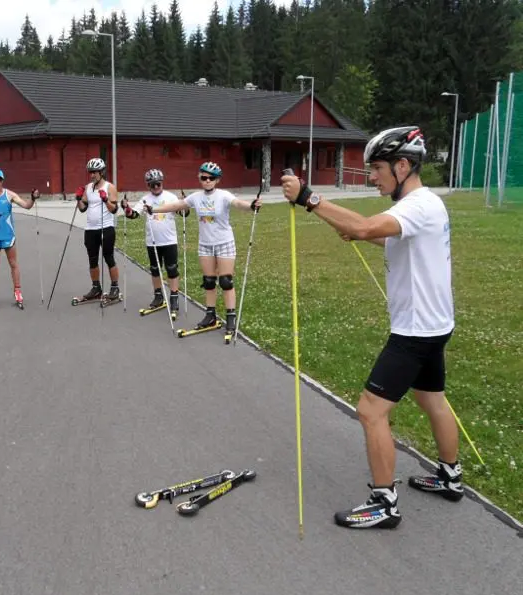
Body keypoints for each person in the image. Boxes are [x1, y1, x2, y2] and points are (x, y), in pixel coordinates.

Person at [281, 126, 461, 530]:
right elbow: (388, 238)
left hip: (414, 332)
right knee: (432, 399)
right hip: (435, 325)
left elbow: (364, 227)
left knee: (370, 411)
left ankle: (384, 502)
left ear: (402, 165)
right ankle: (451, 476)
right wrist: (358, 232)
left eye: (377, 168)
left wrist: (309, 198)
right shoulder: (426, 205)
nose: (372, 176)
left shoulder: (416, 206)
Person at [146, 162, 260, 337]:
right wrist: (154, 209)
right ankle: (210, 315)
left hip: (224, 243)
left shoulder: (223, 195)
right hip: (205, 245)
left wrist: (251, 205)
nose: (207, 181)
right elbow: (177, 206)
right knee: (208, 281)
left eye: (211, 178)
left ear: (217, 180)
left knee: (226, 281)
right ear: (199, 177)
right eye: (204, 177)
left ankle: (231, 318)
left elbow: (237, 203)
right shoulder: (196, 197)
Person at [123, 169, 186, 317]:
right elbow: (134, 214)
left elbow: (183, 214)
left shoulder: (170, 197)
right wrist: (126, 208)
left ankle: (174, 297)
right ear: (148, 185)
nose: (156, 187)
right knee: (155, 269)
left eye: (158, 184)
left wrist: (184, 204)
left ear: (162, 182)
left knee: (172, 269)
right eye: (152, 185)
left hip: (169, 240)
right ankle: (158, 296)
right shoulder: (145, 199)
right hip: (152, 241)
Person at [0, 169, 37, 310]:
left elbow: (27, 206)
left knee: (13, 264)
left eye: (0, 179)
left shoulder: (9, 194)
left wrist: (33, 198)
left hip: (8, 236)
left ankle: (17, 292)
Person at [74, 158, 121, 304]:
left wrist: (106, 199)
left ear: (101, 172)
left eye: (94, 172)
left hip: (106, 228)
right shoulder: (88, 188)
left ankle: (115, 287)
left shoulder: (110, 187)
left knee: (109, 258)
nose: (92, 175)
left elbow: (114, 210)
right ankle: (96, 288)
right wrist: (78, 199)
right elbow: (82, 209)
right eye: (90, 172)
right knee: (92, 260)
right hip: (90, 230)